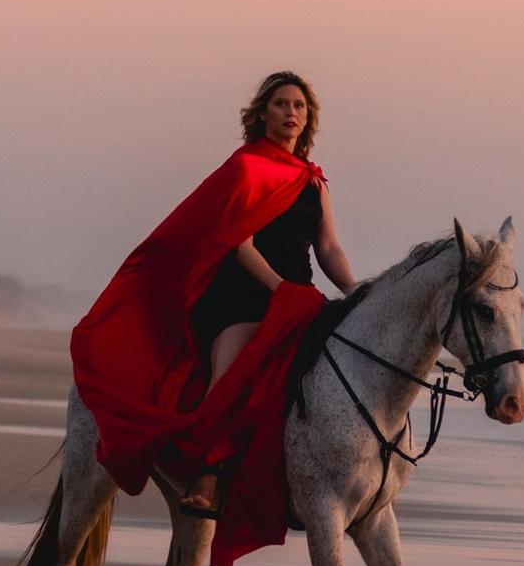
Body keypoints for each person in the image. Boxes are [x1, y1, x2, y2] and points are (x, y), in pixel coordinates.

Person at [69, 72, 357, 515]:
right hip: (241, 296)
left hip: (297, 299)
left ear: (309, 118)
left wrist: (355, 291)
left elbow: (329, 247)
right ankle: (207, 474)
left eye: (299, 106)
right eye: (281, 104)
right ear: (262, 114)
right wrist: (278, 288)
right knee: (229, 384)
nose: (291, 113)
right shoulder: (247, 167)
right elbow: (239, 243)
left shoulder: (314, 182)